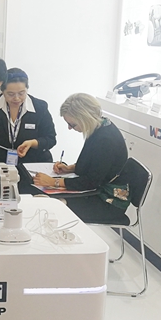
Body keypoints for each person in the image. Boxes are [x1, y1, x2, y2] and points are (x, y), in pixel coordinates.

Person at [33, 93, 129, 223]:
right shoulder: (100, 126)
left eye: (72, 124)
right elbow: (96, 165)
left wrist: (54, 182)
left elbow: (91, 182)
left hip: (108, 200)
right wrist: (70, 168)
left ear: (85, 118)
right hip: (98, 190)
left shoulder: (105, 141)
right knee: (43, 199)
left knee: (50, 205)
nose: (69, 128)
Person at [0, 68, 56, 165]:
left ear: (27, 89)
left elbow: (51, 139)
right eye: (10, 94)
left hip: (33, 164)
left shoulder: (40, 107)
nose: (16, 98)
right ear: (2, 91)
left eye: (21, 93)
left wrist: (33, 143)